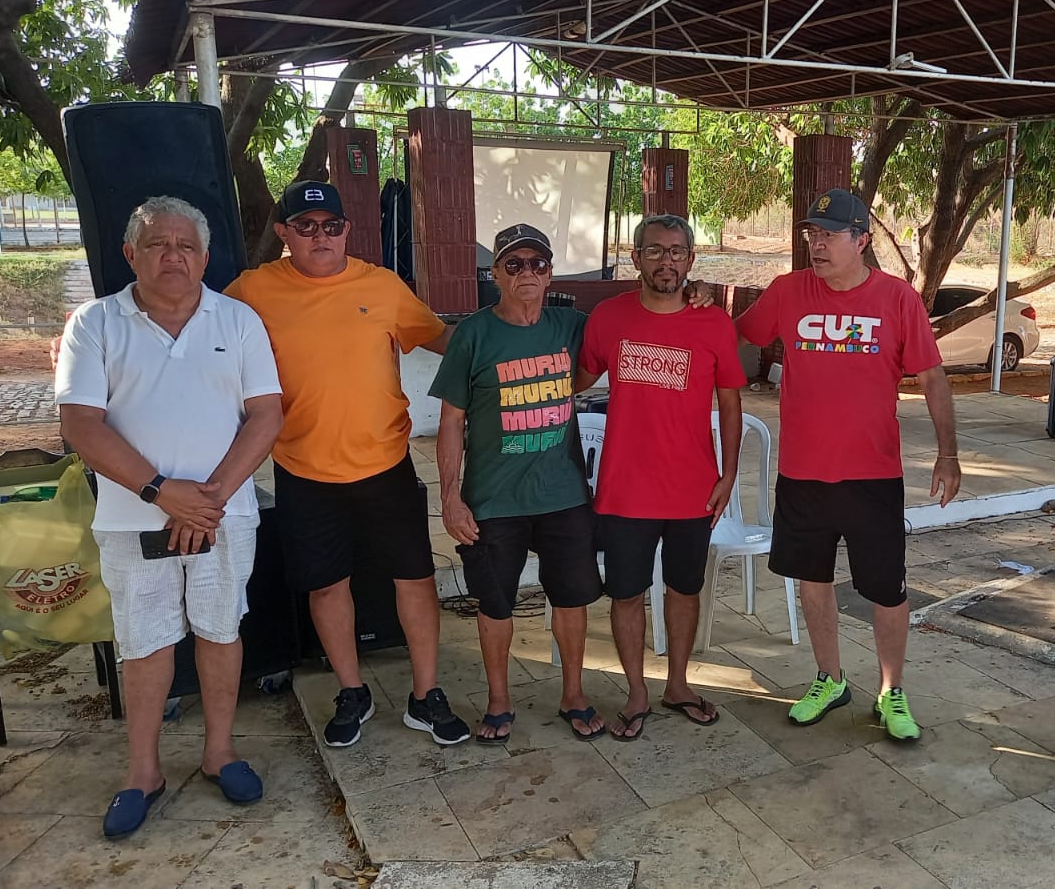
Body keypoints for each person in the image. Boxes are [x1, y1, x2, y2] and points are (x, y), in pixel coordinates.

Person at [57, 197, 283, 838]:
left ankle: (220, 753)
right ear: (131, 254)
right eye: (158, 244)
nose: (173, 256)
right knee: (145, 642)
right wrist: (162, 493)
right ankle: (143, 772)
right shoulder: (95, 324)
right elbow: (80, 423)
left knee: (220, 629)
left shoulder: (238, 320)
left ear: (205, 258)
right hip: (134, 519)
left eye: (186, 246)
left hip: (223, 514)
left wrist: (208, 500)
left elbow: (266, 414)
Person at [225, 181, 471, 748]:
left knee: (415, 579)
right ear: (284, 233)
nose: (320, 236)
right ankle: (352, 691)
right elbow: (195, 322)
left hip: (386, 465)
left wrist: (520, 337)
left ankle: (426, 694)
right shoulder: (252, 291)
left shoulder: (381, 285)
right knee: (326, 586)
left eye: (331, 226)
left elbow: (446, 341)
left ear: (347, 231)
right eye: (306, 226)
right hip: (304, 471)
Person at [735, 189, 961, 742]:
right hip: (803, 473)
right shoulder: (788, 291)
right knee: (812, 580)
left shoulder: (898, 299)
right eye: (812, 234)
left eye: (829, 235)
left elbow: (932, 377)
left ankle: (891, 689)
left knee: (886, 588)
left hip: (872, 475)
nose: (817, 244)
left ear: (861, 240)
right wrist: (691, 308)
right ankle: (829, 679)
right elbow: (738, 335)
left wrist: (948, 453)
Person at [431, 224, 607, 743]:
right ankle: (499, 700)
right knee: (495, 603)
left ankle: (573, 694)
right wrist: (450, 497)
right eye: (514, 264)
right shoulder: (474, 335)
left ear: (550, 274)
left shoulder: (571, 325)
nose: (527, 272)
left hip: (563, 493)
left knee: (571, 600)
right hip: (493, 499)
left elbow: (620, 334)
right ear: (495, 274)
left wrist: (691, 293)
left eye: (538, 264)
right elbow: (450, 422)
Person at [575, 213, 746, 740]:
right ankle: (637, 692)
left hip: (692, 488)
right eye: (654, 250)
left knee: (683, 589)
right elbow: (577, 379)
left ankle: (678, 685)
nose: (665, 261)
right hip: (625, 489)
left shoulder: (713, 323)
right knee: (626, 594)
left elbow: (731, 403)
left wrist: (729, 474)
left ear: (690, 259)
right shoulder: (609, 317)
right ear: (636, 259)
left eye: (676, 251)